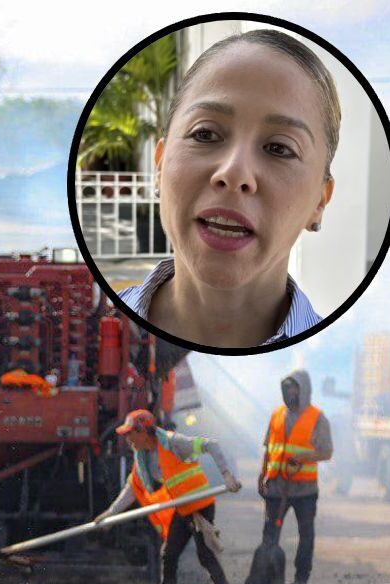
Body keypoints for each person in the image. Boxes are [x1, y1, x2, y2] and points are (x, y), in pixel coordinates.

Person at [118, 30, 338, 348]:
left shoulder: (324, 357)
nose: (233, 173)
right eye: (205, 134)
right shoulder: (91, 334)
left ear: (320, 201)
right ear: (160, 164)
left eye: (279, 148)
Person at [96, 409, 244, 584]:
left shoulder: (173, 443)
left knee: (205, 555)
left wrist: (227, 475)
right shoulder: (143, 458)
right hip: (182, 508)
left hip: (200, 506)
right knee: (169, 553)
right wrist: (110, 513)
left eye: (130, 433)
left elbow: (210, 445)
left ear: (143, 432)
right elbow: (132, 488)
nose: (127, 439)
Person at [256, 369, 332, 584]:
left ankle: (301, 579)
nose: (290, 392)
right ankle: (267, 578)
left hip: (305, 490)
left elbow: (327, 452)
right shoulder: (277, 414)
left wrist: (303, 457)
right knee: (270, 533)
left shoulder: (318, 418)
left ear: (304, 389)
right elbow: (269, 449)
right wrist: (262, 476)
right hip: (277, 486)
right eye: (287, 387)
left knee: (305, 534)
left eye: (295, 387)